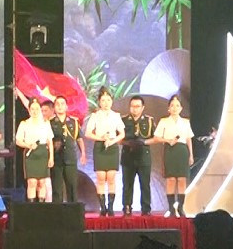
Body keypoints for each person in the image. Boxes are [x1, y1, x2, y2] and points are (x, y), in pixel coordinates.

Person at [84, 87, 125, 216]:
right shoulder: (95, 116)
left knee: (111, 178)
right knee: (101, 178)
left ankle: (111, 207)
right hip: (100, 147)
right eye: (103, 100)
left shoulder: (116, 116)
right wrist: (101, 138)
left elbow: (122, 134)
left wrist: (112, 141)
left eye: (108, 100)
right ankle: (103, 207)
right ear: (99, 102)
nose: (106, 103)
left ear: (111, 101)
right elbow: (88, 133)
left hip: (112, 147)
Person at [155, 94, 194, 217]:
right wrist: (168, 140)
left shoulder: (185, 122)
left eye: (177, 105)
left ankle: (181, 207)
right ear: (168, 108)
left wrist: (191, 155)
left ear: (181, 108)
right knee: (171, 179)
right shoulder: (164, 121)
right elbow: (156, 137)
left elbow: (188, 139)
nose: (175, 108)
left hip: (182, 151)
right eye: (172, 105)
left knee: (182, 179)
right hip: (170, 150)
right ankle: (171, 208)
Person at [121, 95, 155, 216]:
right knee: (127, 184)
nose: (135, 109)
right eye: (132, 106)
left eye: (137, 106)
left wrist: (144, 142)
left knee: (145, 184)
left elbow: (156, 138)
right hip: (128, 155)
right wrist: (126, 143)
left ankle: (146, 208)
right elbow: (117, 138)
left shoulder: (149, 120)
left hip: (143, 156)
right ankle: (127, 207)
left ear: (142, 107)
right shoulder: (123, 120)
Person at [15, 98, 54, 203]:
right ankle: (31, 206)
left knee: (42, 182)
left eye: (37, 109)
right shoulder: (24, 124)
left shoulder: (45, 123)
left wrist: (51, 158)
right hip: (31, 154)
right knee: (32, 182)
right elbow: (18, 141)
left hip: (43, 154)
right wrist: (28, 145)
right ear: (29, 110)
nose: (35, 111)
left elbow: (49, 142)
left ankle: (41, 206)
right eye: (32, 109)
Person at [50, 95, 86, 206]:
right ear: (54, 107)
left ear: (66, 107)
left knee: (72, 186)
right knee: (57, 188)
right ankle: (58, 211)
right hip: (56, 159)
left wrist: (83, 153)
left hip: (70, 158)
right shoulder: (50, 123)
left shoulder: (73, 122)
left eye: (62, 104)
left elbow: (79, 138)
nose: (60, 106)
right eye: (57, 104)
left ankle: (73, 211)